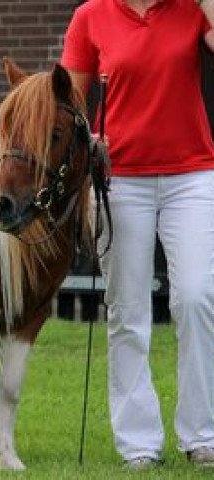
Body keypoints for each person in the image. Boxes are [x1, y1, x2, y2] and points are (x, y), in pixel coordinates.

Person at [61, 0, 214, 469]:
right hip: (120, 178)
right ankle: (139, 444)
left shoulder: (192, 9)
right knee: (127, 310)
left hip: (193, 174)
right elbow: (67, 102)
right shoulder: (91, 15)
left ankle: (203, 435)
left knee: (197, 296)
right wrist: (87, 149)